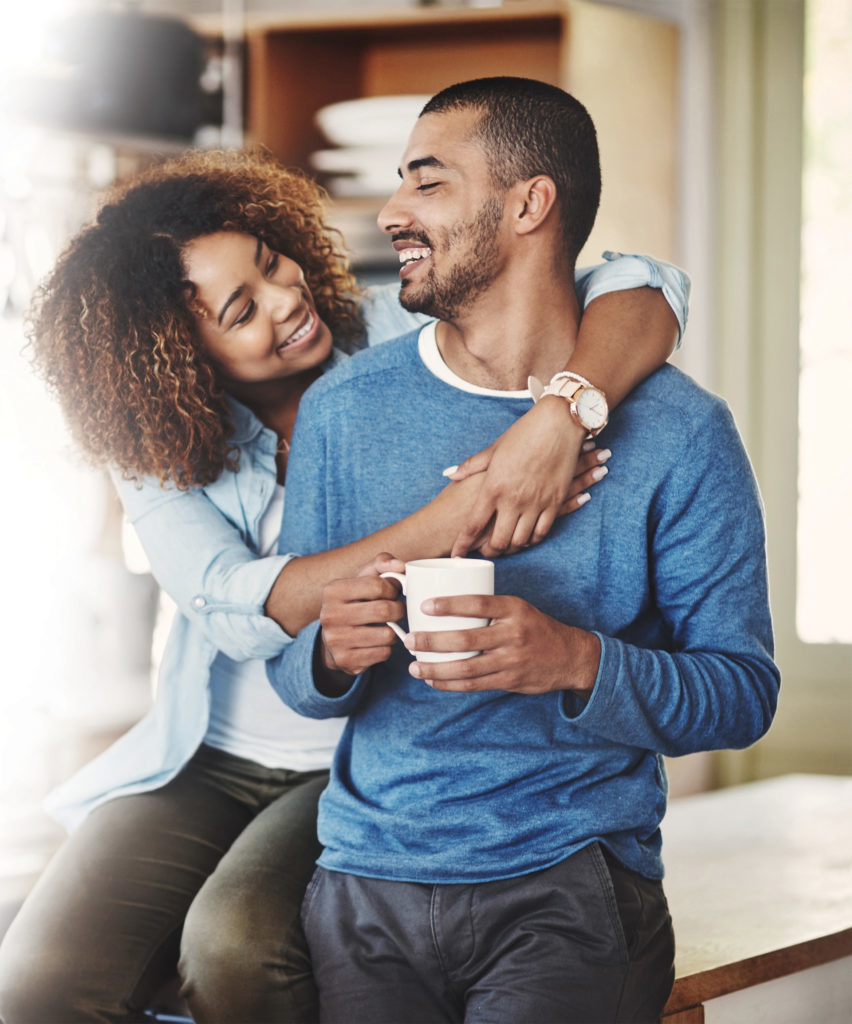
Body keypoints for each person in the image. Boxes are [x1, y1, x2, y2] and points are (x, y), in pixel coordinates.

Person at [0, 146, 689, 1024]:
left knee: (235, 945)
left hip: (365, 755)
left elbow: (644, 284)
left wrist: (559, 415)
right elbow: (240, 606)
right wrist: (479, 497)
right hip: (208, 754)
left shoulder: (405, 333)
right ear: (175, 358)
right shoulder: (155, 442)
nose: (288, 300)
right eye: (242, 309)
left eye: (273, 262)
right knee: (36, 985)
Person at [267, 77, 781, 1024]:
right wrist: (329, 651)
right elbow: (295, 676)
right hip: (365, 886)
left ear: (529, 204)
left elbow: (744, 693)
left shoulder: (680, 432)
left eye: (428, 184)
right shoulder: (345, 410)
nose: (390, 214)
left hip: (571, 884)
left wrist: (573, 660)